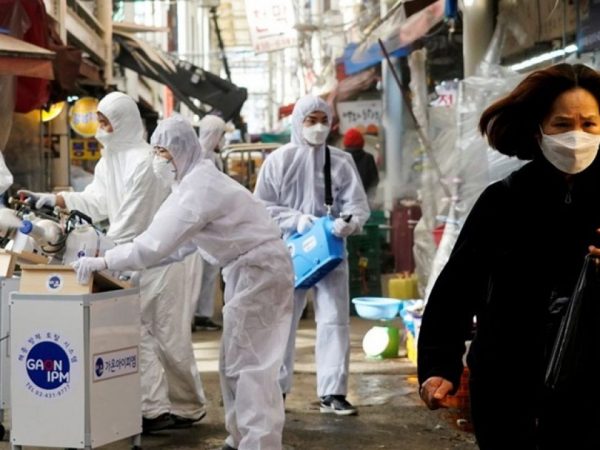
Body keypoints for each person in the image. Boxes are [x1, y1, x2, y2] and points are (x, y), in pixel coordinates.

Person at [72, 115, 294, 450]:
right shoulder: (195, 181)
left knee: (252, 365)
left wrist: (105, 261)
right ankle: (241, 438)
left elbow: (153, 244)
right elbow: (180, 246)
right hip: (251, 269)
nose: (158, 160)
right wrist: (128, 265)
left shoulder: (197, 189)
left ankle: (259, 443)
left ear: (181, 150)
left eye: (162, 152)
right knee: (235, 360)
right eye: (155, 151)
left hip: (259, 270)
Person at [418, 63, 600, 450]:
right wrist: (439, 364)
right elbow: (457, 288)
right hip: (507, 388)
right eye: (562, 124)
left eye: (589, 125)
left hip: (591, 391)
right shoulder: (503, 200)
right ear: (538, 130)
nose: (577, 137)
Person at [19, 92, 206, 433]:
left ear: (124, 122)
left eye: (106, 122)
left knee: (169, 336)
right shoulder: (109, 162)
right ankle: (154, 408)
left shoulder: (146, 163)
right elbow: (97, 201)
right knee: (136, 331)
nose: (100, 129)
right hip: (128, 256)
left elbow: (132, 221)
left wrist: (99, 254)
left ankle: (187, 406)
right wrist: (53, 199)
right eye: (100, 121)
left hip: (162, 260)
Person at [254, 94, 370, 415]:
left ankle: (333, 392)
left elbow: (357, 205)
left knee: (334, 319)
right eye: (311, 120)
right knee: (283, 320)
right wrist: (296, 220)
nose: (318, 127)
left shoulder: (341, 162)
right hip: (288, 250)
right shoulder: (278, 161)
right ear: (298, 122)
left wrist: (348, 223)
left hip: (330, 249)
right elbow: (261, 206)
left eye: (323, 121)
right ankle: (276, 390)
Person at [192, 114, 229, 332]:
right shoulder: (197, 157)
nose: (222, 139)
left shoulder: (214, 158)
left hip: (213, 223)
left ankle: (202, 314)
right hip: (197, 224)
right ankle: (193, 314)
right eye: (221, 134)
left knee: (209, 272)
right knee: (196, 272)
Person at [342, 127, 379, 202]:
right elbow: (375, 180)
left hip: (344, 201)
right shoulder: (368, 158)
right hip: (364, 200)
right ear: (361, 142)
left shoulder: (341, 157)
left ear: (345, 143)